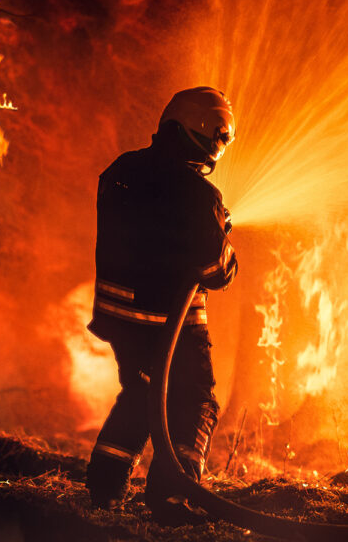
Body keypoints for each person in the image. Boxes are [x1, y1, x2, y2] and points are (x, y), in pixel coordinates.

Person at [86, 86, 239, 524]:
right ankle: (175, 496)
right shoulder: (199, 195)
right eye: (220, 137)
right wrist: (222, 236)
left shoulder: (119, 171)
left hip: (119, 321)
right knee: (196, 403)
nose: (219, 146)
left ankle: (104, 484)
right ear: (206, 134)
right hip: (172, 326)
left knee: (140, 394)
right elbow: (215, 272)